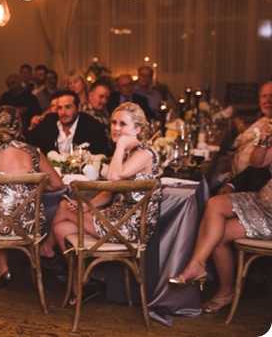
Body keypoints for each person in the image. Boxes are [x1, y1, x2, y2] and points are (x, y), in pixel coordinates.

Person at [41, 102, 162, 304]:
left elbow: (114, 178)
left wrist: (121, 145)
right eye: (114, 122)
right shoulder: (128, 153)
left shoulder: (144, 154)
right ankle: (79, 282)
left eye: (122, 124)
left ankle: (47, 249)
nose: (115, 127)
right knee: (62, 229)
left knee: (63, 207)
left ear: (137, 129)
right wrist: (87, 206)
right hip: (116, 218)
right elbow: (109, 190)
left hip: (131, 226)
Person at [169, 118, 272, 313]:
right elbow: (258, 162)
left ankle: (225, 290)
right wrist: (265, 140)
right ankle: (197, 265)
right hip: (262, 199)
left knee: (217, 235)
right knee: (214, 204)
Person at [0, 106, 64, 286]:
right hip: (31, 225)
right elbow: (57, 184)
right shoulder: (33, 152)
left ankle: (3, 268)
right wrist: (29, 189)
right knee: (1, 213)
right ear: (18, 127)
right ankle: (7, 269)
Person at [25, 90, 111, 157]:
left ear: (79, 107)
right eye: (59, 108)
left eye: (68, 107)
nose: (63, 112)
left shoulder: (93, 126)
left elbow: (103, 156)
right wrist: (31, 127)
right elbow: (28, 141)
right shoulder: (49, 121)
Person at [231, 81, 272, 175]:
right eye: (264, 96)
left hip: (251, 183)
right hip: (236, 175)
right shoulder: (263, 120)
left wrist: (233, 184)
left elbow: (260, 166)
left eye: (271, 95)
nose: (268, 100)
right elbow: (250, 142)